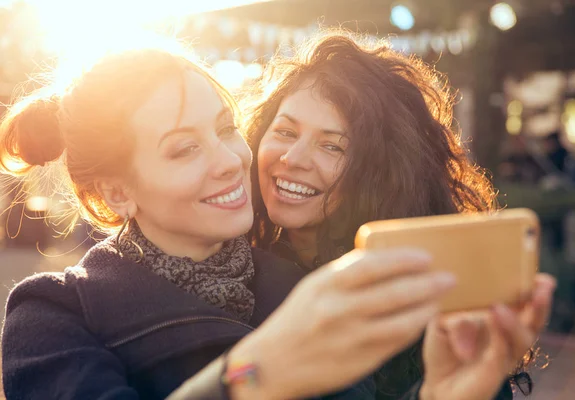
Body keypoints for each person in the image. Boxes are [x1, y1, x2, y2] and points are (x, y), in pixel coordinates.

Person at [0, 36, 460, 399]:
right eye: (185, 148)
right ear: (116, 193)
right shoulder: (54, 316)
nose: (230, 160)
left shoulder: (303, 287)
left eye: (225, 129)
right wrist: (255, 372)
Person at [245, 31, 556, 399]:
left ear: (381, 171)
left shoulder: (426, 296)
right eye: (284, 131)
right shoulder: (236, 272)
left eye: (332, 145)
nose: (293, 158)